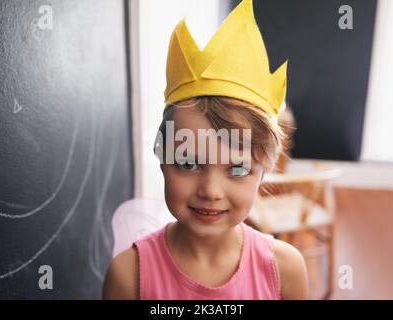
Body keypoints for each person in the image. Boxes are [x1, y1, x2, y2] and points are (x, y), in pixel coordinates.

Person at [103, 0, 308, 300]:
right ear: (162, 159)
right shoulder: (128, 276)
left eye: (237, 169)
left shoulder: (284, 271)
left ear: (263, 169)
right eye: (188, 164)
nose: (211, 191)